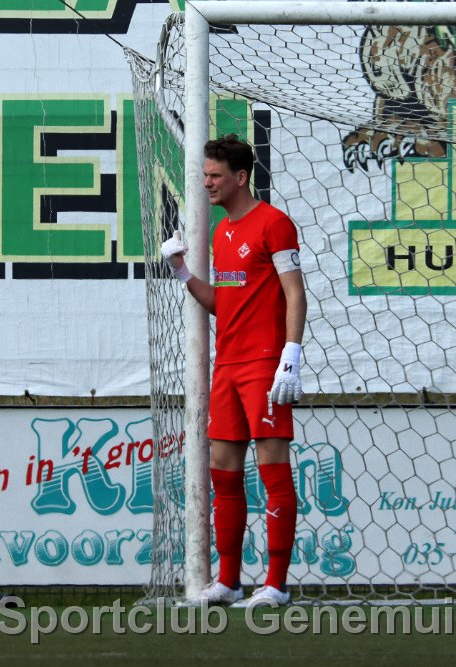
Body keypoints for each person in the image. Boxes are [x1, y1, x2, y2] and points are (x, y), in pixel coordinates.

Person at [161, 134, 307, 606]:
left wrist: (290, 355)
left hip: (264, 365)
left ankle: (276, 585)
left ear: (240, 177)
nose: (206, 183)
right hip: (226, 366)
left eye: (215, 176)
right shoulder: (222, 231)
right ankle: (228, 581)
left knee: (273, 473)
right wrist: (184, 273)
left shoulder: (274, 224)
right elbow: (224, 305)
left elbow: (295, 293)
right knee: (223, 472)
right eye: (205, 175)